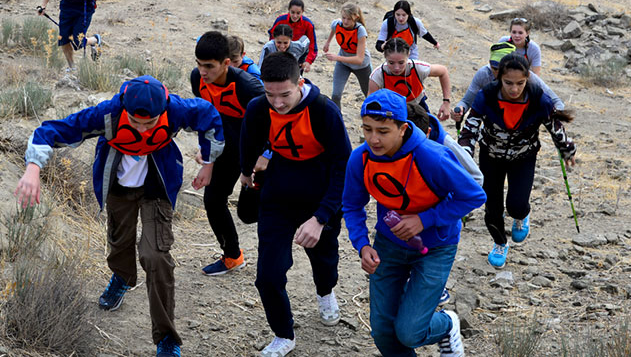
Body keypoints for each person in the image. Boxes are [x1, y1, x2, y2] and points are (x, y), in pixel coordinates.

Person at [15, 76, 224, 357]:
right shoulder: (107, 113)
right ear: (124, 107)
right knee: (119, 241)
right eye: (135, 122)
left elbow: (210, 117)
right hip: (117, 185)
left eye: (148, 124)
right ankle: (123, 278)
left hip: (157, 186)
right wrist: (32, 168)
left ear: (162, 113)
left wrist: (208, 162)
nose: (140, 128)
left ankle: (167, 338)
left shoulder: (175, 110)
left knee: (156, 255)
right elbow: (51, 130)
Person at [343, 90, 485, 357]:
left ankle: (447, 325)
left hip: (436, 247)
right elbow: (352, 205)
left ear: (403, 128)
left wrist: (425, 219)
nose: (373, 139)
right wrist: (362, 246)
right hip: (388, 245)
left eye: (383, 131)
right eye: (367, 129)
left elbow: (474, 195)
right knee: (383, 332)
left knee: (409, 333)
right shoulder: (360, 159)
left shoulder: (433, 156)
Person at [240, 53, 352, 357]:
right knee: (268, 276)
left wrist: (321, 216)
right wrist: (246, 173)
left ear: (300, 83)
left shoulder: (324, 110)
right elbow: (248, 144)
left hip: (319, 198)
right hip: (276, 197)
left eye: (285, 94)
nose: (277, 102)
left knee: (324, 260)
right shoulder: (258, 108)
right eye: (270, 94)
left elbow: (344, 165)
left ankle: (326, 292)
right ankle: (283, 335)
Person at [458, 55, 576, 269]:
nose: (514, 89)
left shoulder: (539, 98)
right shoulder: (487, 96)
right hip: (491, 155)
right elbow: (470, 127)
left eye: (520, 83)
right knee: (491, 205)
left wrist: (567, 149)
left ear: (528, 78)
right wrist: (464, 156)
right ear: (499, 78)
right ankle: (500, 243)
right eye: (508, 83)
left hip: (523, 156)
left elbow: (554, 126)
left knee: (517, 204)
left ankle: (521, 216)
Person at [191, 31, 265, 276]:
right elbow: (206, 116)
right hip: (227, 149)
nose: (203, 72)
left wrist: (266, 157)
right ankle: (233, 256)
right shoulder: (197, 80)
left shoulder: (247, 86)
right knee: (213, 201)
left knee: (250, 213)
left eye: (209, 66)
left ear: (226, 64)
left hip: (258, 154)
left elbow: (277, 122)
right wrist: (208, 156)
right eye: (199, 65)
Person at [451, 41, 563, 124]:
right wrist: (460, 111)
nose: (497, 73)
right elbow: (466, 101)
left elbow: (556, 101)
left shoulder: (526, 76)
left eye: (501, 70)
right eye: (493, 68)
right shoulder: (484, 74)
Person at [367, 38, 453, 121]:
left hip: (418, 105)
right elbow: (370, 103)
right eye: (391, 63)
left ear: (408, 55)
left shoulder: (417, 68)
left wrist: (446, 102)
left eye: (401, 63)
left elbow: (443, 71)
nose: (396, 68)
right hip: (392, 110)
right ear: (385, 57)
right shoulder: (378, 75)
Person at [322, 2, 372, 109]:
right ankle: (337, 121)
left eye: (349, 19)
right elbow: (333, 28)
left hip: (362, 66)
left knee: (369, 95)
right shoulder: (337, 24)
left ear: (356, 17)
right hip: (343, 64)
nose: (345, 21)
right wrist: (328, 42)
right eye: (343, 18)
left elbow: (359, 59)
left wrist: (336, 58)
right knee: (335, 95)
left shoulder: (360, 31)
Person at [374, 0, 439, 61]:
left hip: (411, 53)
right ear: (394, 14)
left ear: (409, 14)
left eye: (404, 15)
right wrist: (383, 46)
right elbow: (378, 44)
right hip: (393, 54)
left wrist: (435, 43)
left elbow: (425, 34)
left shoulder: (415, 22)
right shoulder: (388, 23)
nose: (401, 18)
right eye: (398, 15)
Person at [268, 0, 318, 73]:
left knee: (294, 78)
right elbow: (272, 37)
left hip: (299, 55)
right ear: (288, 10)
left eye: (298, 13)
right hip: (281, 50)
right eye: (292, 12)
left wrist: (308, 61)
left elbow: (312, 44)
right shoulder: (280, 20)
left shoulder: (308, 24)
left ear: (302, 12)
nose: (295, 16)